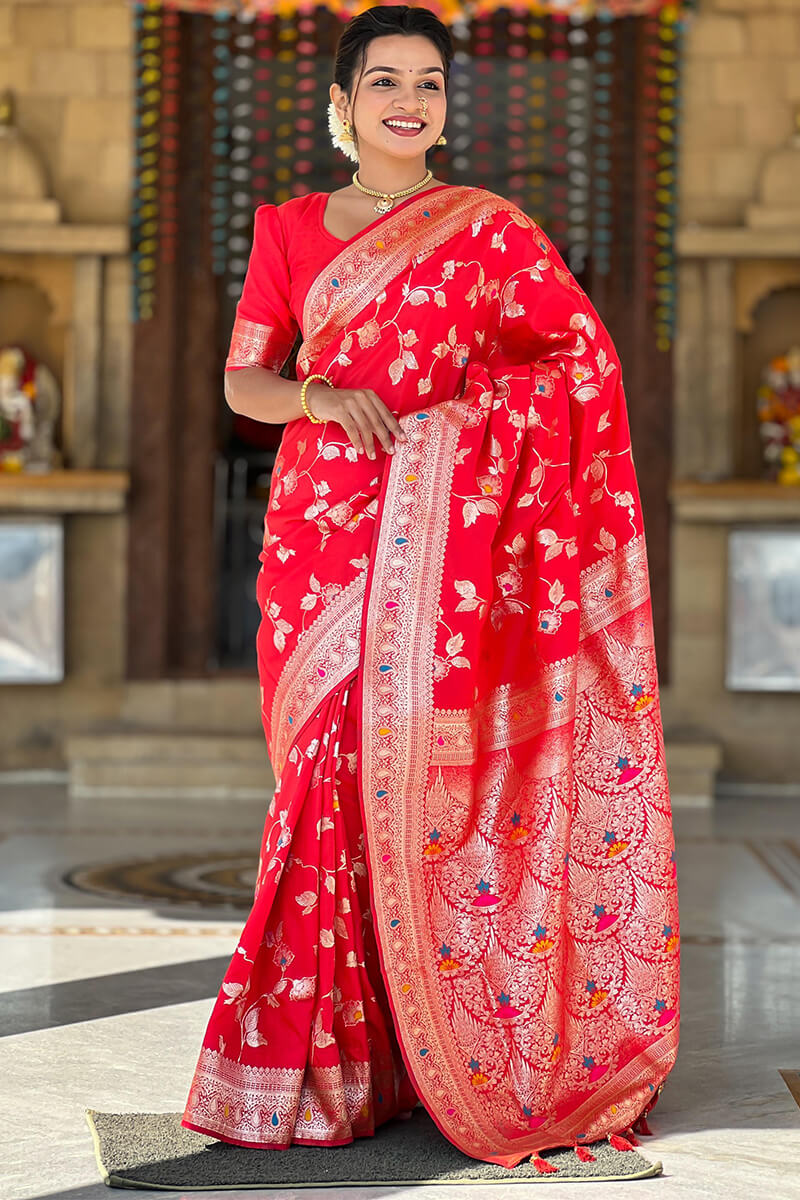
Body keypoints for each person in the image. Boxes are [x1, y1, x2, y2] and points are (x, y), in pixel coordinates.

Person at [181, 3, 680, 1169]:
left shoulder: (492, 233)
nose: (409, 100)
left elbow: (579, 364)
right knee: (321, 779)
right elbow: (244, 381)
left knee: (412, 776)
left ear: (446, 107)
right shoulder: (289, 228)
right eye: (385, 81)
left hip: (452, 550)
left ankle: (413, 1056)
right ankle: (316, 1066)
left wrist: (456, 424)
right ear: (341, 104)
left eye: (429, 83)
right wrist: (317, 395)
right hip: (321, 535)